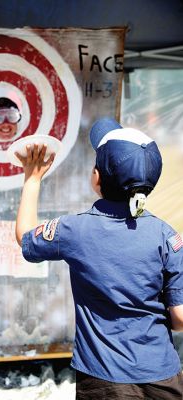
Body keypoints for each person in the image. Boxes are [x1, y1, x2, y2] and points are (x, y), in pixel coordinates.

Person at [15, 117, 183, 399]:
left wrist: (32, 178)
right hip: (162, 376)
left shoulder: (75, 230)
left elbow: (26, 236)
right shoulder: (168, 237)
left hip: (103, 380)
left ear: (96, 177)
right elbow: (179, 318)